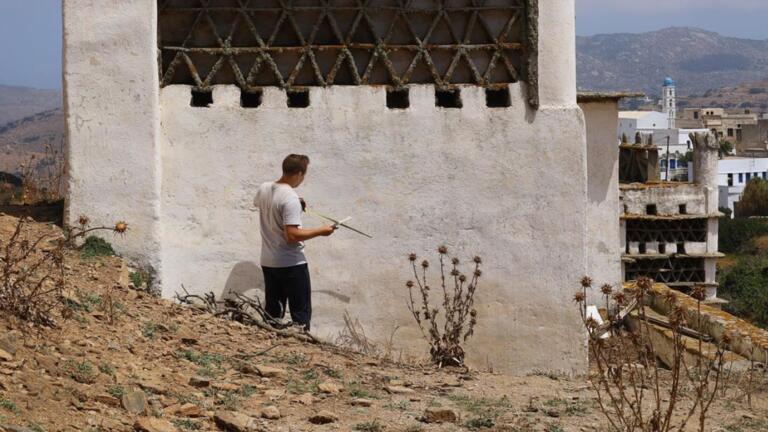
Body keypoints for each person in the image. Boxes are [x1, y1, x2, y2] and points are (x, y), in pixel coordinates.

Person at [253, 154, 335, 331]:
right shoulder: (290, 197)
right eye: (303, 176)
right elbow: (291, 235)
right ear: (299, 173)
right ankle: (302, 347)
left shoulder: (264, 188)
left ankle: (271, 344)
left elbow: (264, 205)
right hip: (291, 263)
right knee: (300, 315)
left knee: (273, 314)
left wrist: (295, 204)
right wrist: (322, 231)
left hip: (268, 261)